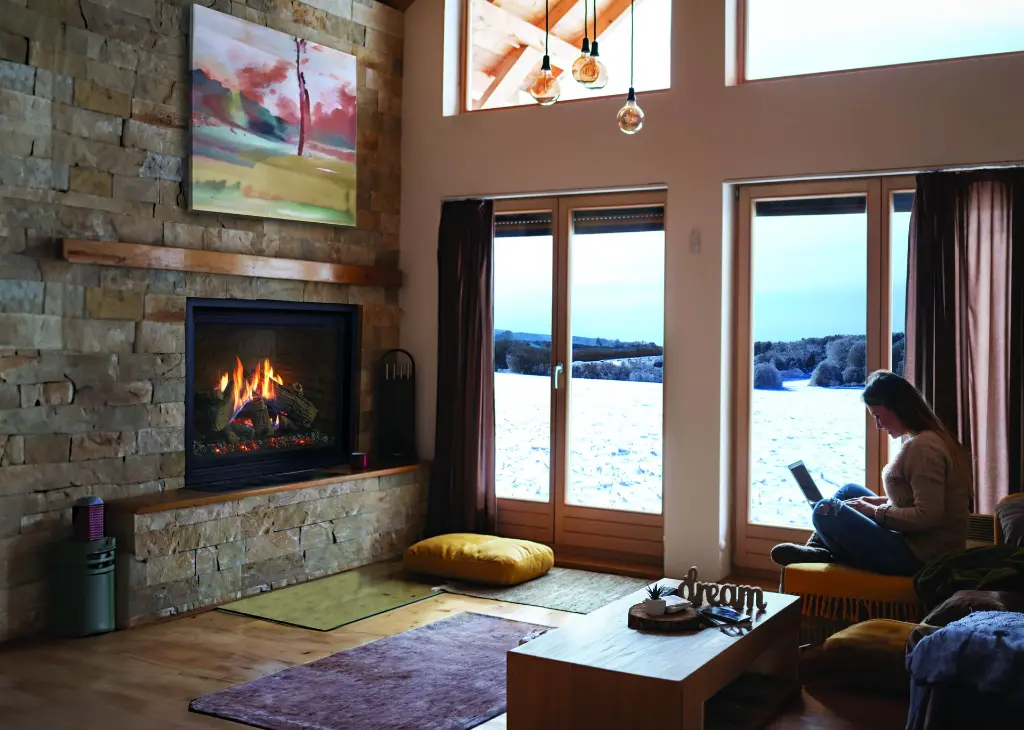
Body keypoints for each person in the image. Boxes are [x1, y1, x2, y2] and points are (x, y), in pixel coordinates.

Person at [771, 370, 973, 576]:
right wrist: (875, 503)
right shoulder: (926, 439)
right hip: (918, 545)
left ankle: (822, 553)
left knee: (825, 509)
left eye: (877, 416)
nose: (877, 425)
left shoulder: (924, 448)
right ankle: (819, 551)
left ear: (897, 408)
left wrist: (873, 511)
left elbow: (927, 516)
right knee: (849, 492)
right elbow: (917, 498)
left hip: (922, 559)